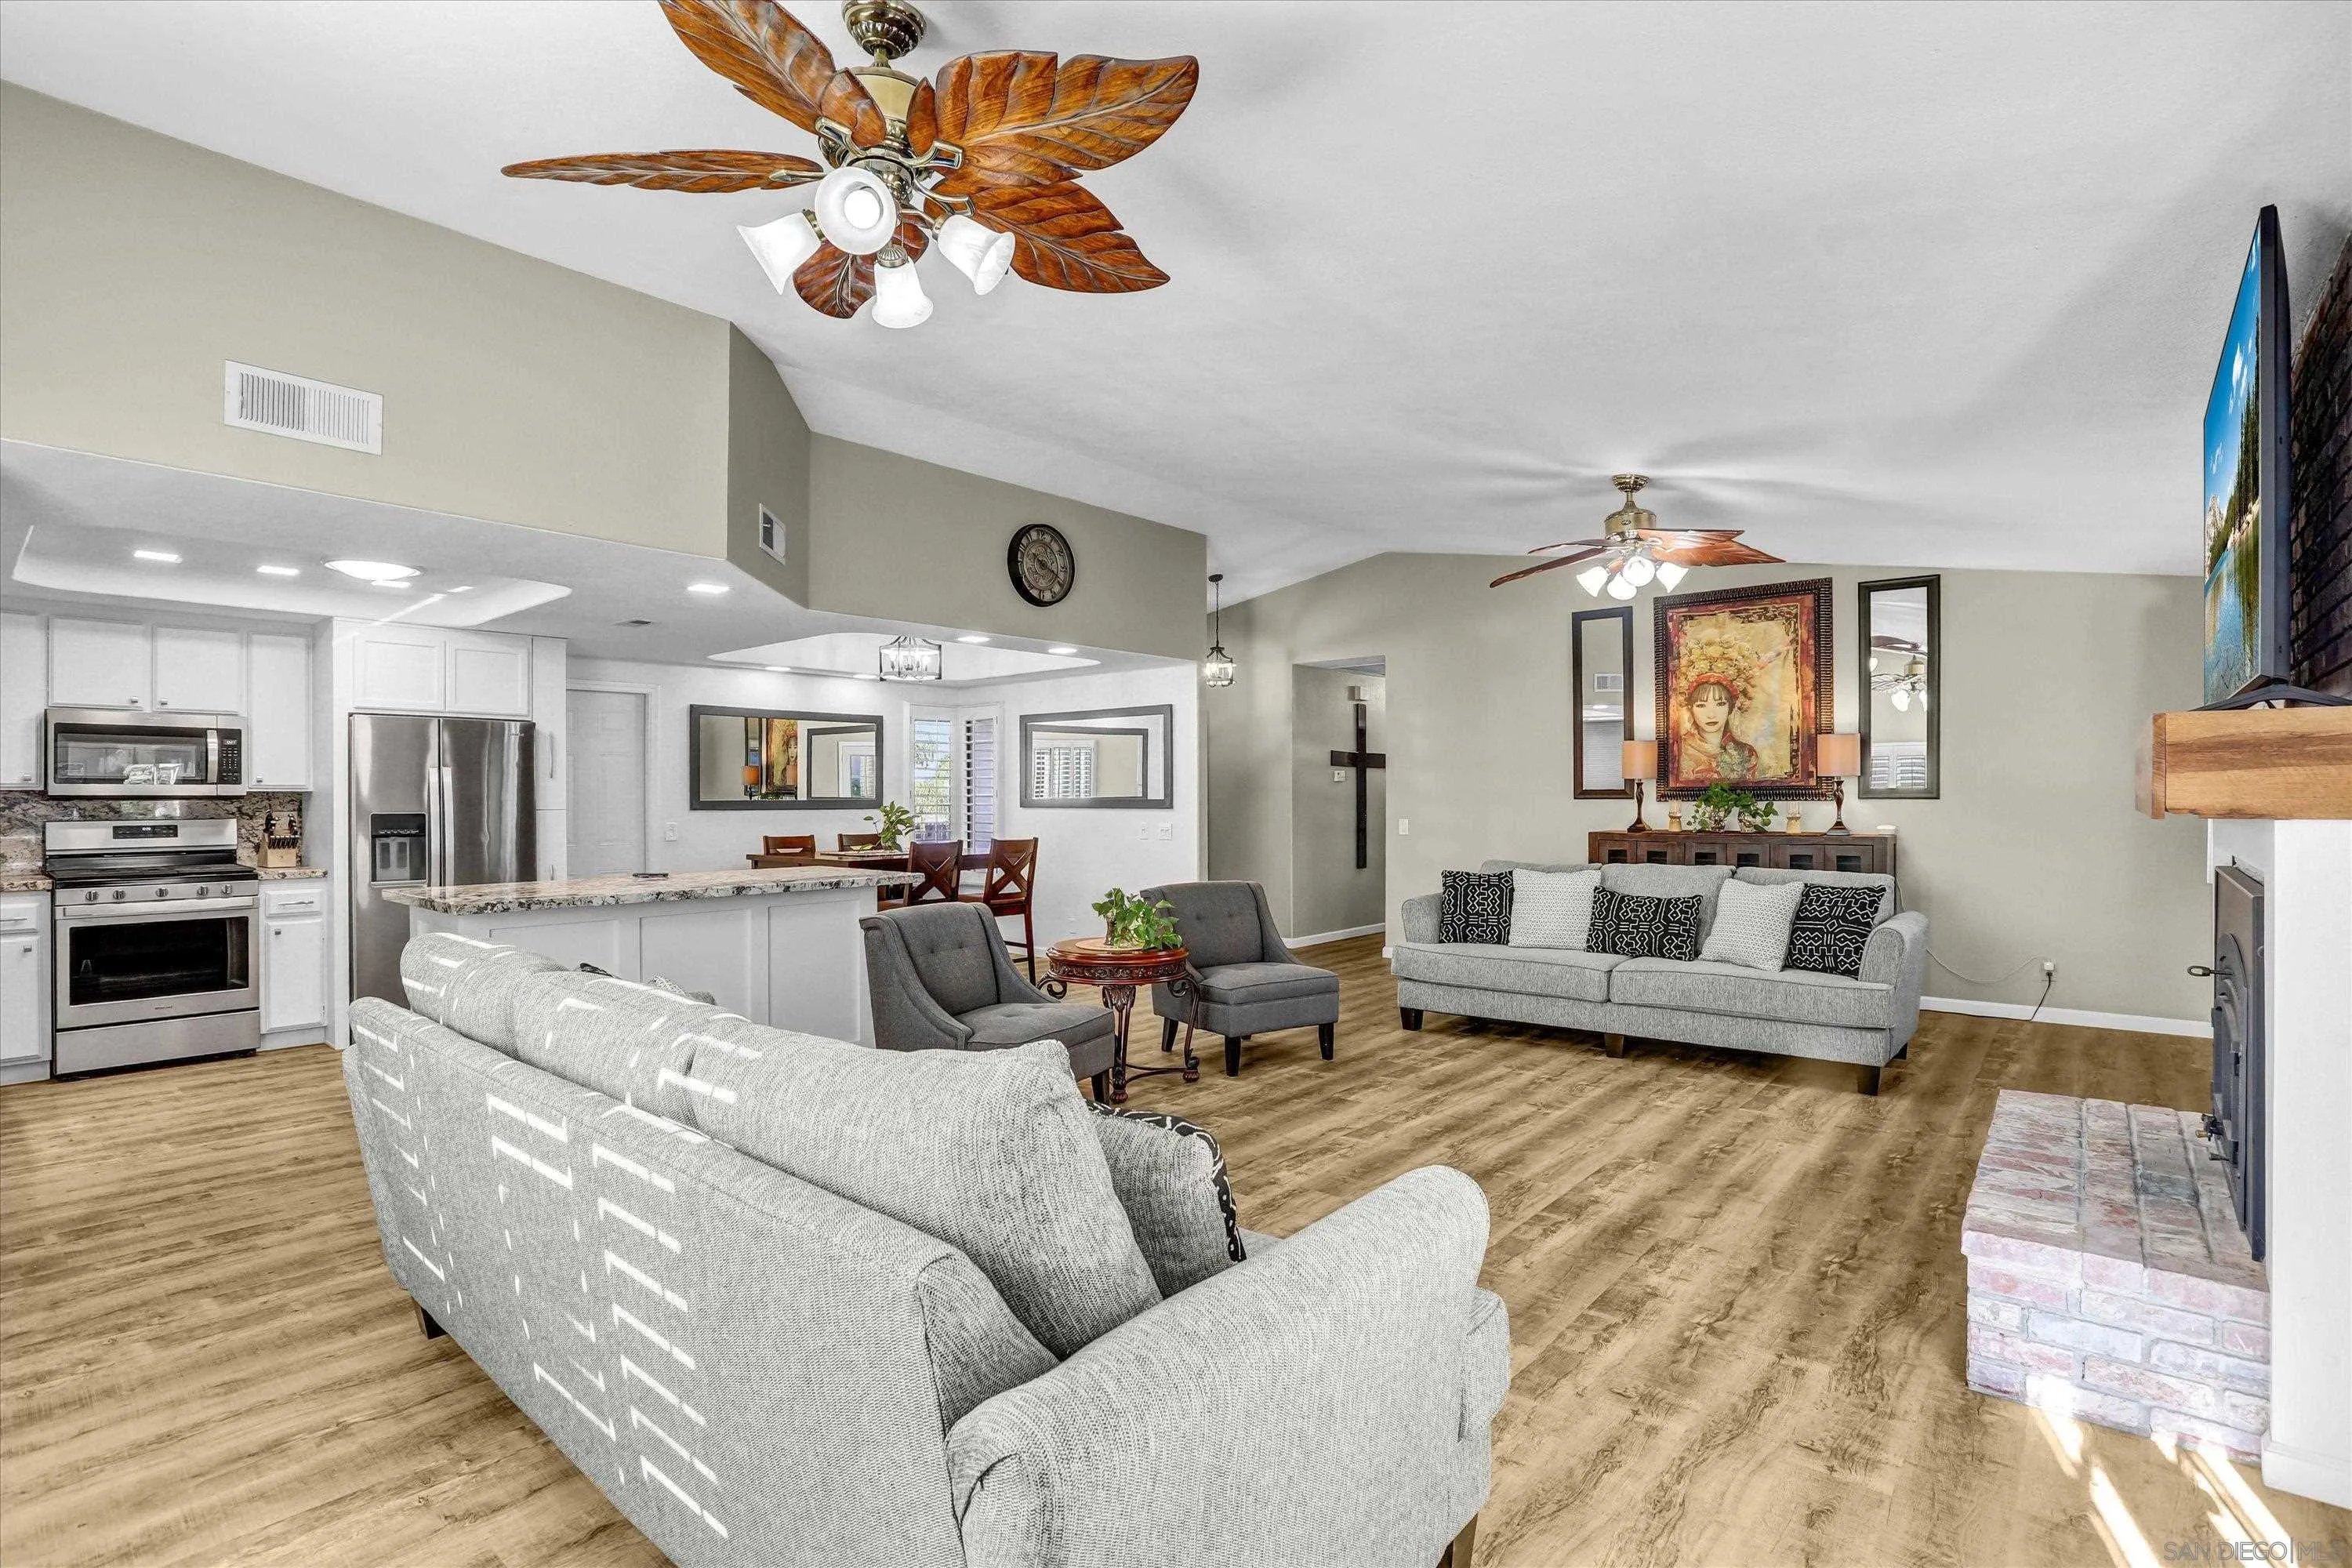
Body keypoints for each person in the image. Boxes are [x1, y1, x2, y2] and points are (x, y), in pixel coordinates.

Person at [1674, 637, 1764, 782]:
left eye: (1720, 704)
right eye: (1701, 705)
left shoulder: (1747, 753)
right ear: (1691, 709)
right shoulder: (1680, 752)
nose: (1711, 714)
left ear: (1731, 707)